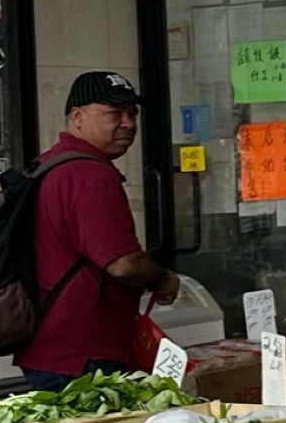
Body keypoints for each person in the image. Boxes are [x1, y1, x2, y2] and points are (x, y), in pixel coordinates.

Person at [13, 71, 179, 390]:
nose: (128, 123)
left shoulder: (50, 164)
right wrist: (164, 279)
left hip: (51, 349)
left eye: (132, 114)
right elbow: (123, 263)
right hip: (83, 357)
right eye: (114, 113)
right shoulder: (89, 175)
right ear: (78, 117)